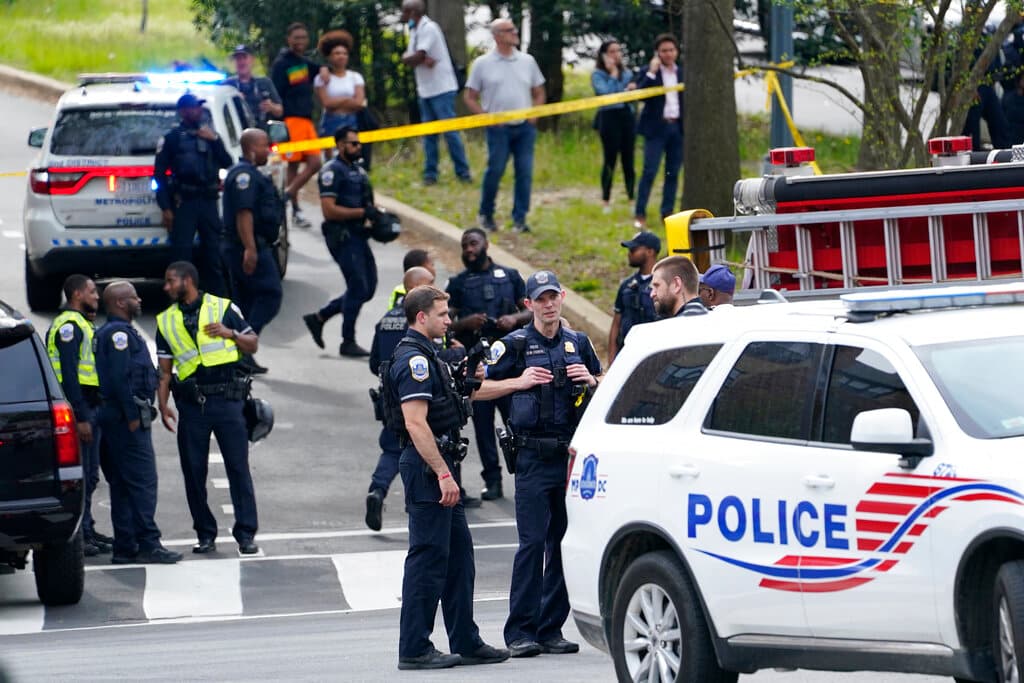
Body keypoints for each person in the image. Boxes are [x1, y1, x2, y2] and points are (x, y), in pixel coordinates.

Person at [477, 270, 602, 657]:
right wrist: (518, 382)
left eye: (553, 297)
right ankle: (520, 632)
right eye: (540, 299)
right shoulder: (513, 345)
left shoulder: (577, 342)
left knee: (564, 545)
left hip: (568, 457)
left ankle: (550, 629)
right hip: (531, 456)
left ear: (562, 297)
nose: (549, 305)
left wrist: (594, 380)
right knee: (531, 544)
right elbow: (477, 389)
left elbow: (608, 383)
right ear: (528, 304)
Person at [388, 285, 510, 670]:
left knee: (458, 557)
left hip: (438, 463)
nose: (448, 320)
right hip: (428, 467)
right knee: (428, 558)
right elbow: (415, 423)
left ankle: (466, 641)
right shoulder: (413, 360)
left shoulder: (430, 355)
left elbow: (451, 407)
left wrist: (469, 381)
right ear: (421, 317)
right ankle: (414, 647)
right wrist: (443, 473)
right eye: (442, 314)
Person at [155, 261, 260, 556]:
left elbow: (253, 344)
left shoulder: (223, 307)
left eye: (169, 281)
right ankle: (205, 533)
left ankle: (246, 534)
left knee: (238, 468)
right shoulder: (166, 320)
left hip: (228, 401)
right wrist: (162, 405)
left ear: (187, 280)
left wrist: (230, 334)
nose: (165, 287)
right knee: (193, 471)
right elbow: (165, 370)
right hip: (192, 406)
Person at [95, 282, 182, 565]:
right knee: (143, 481)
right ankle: (148, 542)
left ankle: (125, 545)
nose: (139, 299)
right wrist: (132, 416)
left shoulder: (112, 332)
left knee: (122, 483)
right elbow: (120, 379)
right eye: (133, 297)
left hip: (114, 418)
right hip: (125, 420)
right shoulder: (119, 334)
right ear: (121, 303)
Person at [446, 228, 530, 501]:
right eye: (464, 246)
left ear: (486, 245)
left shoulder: (510, 276)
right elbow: (445, 323)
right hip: (478, 367)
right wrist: (465, 324)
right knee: (483, 429)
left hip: (510, 365)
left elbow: (530, 309)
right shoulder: (458, 282)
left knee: (518, 424)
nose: (469, 249)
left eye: (473, 243)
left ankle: (525, 477)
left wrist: (514, 320)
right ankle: (492, 481)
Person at [45, 275, 112, 557]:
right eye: (92, 292)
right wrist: (82, 416)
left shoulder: (81, 324)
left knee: (90, 475)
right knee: (83, 476)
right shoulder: (69, 327)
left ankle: (87, 528)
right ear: (76, 295)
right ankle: (81, 534)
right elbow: (71, 376)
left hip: (88, 406)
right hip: (78, 409)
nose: (96, 297)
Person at [366, 266, 436, 531]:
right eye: (429, 285)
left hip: (388, 398)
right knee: (422, 446)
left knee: (392, 448)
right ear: (415, 288)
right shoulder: (420, 323)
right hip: (415, 393)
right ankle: (416, 506)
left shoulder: (385, 319)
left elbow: (374, 362)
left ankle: (378, 490)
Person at [302, 126, 380, 358]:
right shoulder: (331, 171)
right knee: (358, 287)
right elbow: (329, 210)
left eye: (359, 143)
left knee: (368, 288)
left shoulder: (358, 171)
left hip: (359, 235)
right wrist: (361, 212)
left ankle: (320, 317)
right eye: (353, 143)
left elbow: (367, 203)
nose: (358, 147)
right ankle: (348, 341)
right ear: (340, 145)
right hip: (341, 236)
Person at [464, 18, 545, 233]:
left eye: (514, 29)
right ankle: (486, 213)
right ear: (497, 35)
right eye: (509, 30)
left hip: (524, 128)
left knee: (524, 172)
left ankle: (520, 218)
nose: (514, 33)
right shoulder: (482, 64)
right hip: (498, 129)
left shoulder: (527, 61)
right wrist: (486, 117)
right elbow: (470, 97)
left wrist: (535, 114)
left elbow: (539, 91)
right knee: (495, 170)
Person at [154, 93, 234, 297]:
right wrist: (166, 208)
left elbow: (227, 162)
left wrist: (215, 140)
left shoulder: (210, 135)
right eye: (193, 108)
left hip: (208, 201)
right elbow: (159, 176)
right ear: (183, 111)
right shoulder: (172, 138)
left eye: (198, 107)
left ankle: (218, 299)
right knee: (182, 255)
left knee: (214, 254)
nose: (197, 111)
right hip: (184, 203)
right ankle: (181, 299)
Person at [223, 128, 285, 374]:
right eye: (263, 145)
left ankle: (239, 355)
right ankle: (245, 344)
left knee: (246, 302)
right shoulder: (243, 176)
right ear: (251, 149)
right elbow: (244, 214)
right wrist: (250, 248)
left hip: (251, 245)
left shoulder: (252, 174)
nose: (268, 150)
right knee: (271, 294)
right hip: (247, 246)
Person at [401, 0, 472, 185]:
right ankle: (430, 174)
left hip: (441, 88)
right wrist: (416, 58)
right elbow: (412, 57)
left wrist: (417, 58)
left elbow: (416, 56)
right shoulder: (415, 30)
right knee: (429, 134)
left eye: (405, 12)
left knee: (449, 132)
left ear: (413, 12)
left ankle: (463, 172)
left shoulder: (429, 28)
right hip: (425, 89)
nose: (403, 16)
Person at [271, 22, 322, 229]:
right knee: (304, 164)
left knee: (312, 162)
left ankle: (289, 196)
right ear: (288, 39)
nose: (300, 41)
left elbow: (319, 70)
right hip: (291, 120)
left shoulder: (304, 62)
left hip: (307, 120)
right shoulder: (282, 64)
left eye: (303, 37)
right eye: (296, 38)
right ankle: (294, 205)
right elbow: (276, 92)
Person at [633, 33, 684, 229]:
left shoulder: (682, 73)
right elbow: (641, 94)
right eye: (664, 51)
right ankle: (640, 213)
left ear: (676, 52)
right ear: (658, 53)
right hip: (656, 128)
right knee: (649, 171)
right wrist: (652, 72)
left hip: (676, 127)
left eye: (671, 50)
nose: (668, 54)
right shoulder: (650, 72)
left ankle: (667, 212)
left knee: (672, 173)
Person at [591, 39, 637, 213]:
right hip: (608, 117)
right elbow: (605, 94)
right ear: (603, 55)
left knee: (629, 160)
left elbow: (630, 93)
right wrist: (612, 74)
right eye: (612, 51)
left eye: (618, 51)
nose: (616, 55)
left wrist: (630, 89)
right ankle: (606, 200)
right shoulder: (598, 74)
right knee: (610, 159)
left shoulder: (627, 73)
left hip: (626, 116)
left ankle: (632, 199)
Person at [608, 231, 660, 365]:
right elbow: (616, 324)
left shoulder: (663, 284)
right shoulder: (627, 285)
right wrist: (611, 362)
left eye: (634, 249)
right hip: (627, 355)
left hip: (654, 355)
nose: (629, 253)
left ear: (650, 252)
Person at [314, 32, 365, 138]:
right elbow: (326, 103)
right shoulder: (321, 78)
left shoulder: (355, 77)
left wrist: (337, 102)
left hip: (352, 120)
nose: (341, 56)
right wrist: (347, 100)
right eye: (337, 53)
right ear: (329, 56)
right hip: (331, 121)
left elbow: (359, 103)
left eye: (344, 53)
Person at [224, 44, 283, 130]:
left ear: (252, 60)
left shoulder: (265, 82)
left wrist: (271, 107)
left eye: (244, 58)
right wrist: (235, 101)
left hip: (261, 132)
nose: (241, 62)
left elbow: (280, 111)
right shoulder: (227, 85)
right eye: (238, 59)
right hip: (237, 132)